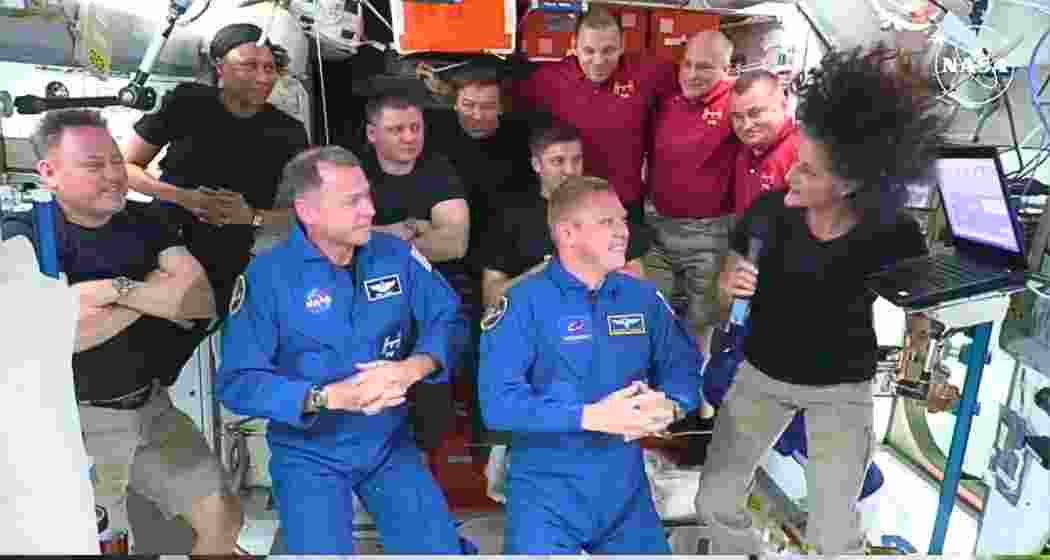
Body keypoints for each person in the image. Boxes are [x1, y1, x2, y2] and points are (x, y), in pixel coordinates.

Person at [693, 44, 949, 554]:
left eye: (808, 170)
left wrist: (925, 358)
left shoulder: (890, 232)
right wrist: (727, 289)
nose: (791, 175)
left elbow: (922, 306)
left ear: (851, 182)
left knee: (834, 533)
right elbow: (723, 300)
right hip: (761, 376)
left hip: (840, 390)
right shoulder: (768, 215)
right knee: (714, 501)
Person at [2, 109, 240, 554]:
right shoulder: (24, 236)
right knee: (100, 543)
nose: (113, 175)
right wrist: (154, 292)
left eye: (116, 160)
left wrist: (112, 292)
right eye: (94, 166)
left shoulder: (148, 221)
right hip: (76, 421)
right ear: (49, 173)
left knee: (223, 517)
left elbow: (200, 300)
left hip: (150, 406)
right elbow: (58, 338)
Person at [216, 146, 465, 554]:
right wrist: (327, 397)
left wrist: (415, 366)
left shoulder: (396, 255)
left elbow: (449, 317)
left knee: (438, 549)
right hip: (309, 452)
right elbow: (238, 383)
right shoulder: (267, 278)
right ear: (308, 211)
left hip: (388, 441)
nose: (369, 210)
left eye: (368, 195)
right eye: (352, 201)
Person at [478, 175, 703, 554]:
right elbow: (499, 405)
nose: (622, 232)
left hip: (625, 493)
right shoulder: (521, 305)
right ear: (567, 234)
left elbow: (684, 367)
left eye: (622, 221)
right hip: (545, 496)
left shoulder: (643, 298)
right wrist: (589, 417)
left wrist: (672, 404)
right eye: (606, 223)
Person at [123, 22, 309, 316]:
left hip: (226, 264)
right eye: (250, 65)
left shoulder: (290, 133)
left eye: (269, 68)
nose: (263, 77)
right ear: (220, 68)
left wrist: (251, 216)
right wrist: (183, 197)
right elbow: (124, 168)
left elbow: (304, 217)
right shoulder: (186, 101)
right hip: (159, 244)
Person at [512, 6, 676, 221]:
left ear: (622, 46)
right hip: (568, 205)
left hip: (622, 204)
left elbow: (694, 80)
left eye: (608, 50)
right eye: (589, 51)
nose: (598, 61)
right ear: (574, 46)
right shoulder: (544, 81)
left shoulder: (648, 74)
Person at [481, 120, 652, 308]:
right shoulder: (510, 215)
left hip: (601, 318)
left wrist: (585, 267)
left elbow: (639, 282)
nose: (570, 170)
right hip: (537, 322)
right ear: (536, 164)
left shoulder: (608, 206)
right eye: (558, 161)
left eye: (576, 160)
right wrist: (543, 273)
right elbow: (491, 298)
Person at [645, 31, 739, 342]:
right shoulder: (669, 99)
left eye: (704, 67)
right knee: (652, 315)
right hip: (658, 227)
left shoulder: (737, 106)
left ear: (727, 69)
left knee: (699, 325)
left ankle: (691, 388)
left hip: (709, 236)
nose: (692, 74)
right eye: (687, 64)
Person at [728, 70, 801, 216]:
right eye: (737, 116)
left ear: (783, 104)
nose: (746, 125)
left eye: (755, 113)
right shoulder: (748, 148)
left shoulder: (802, 155)